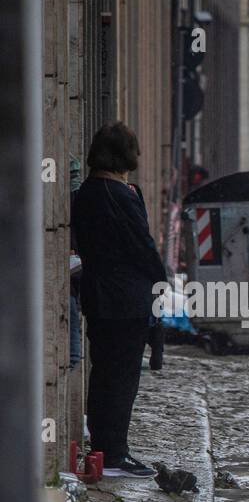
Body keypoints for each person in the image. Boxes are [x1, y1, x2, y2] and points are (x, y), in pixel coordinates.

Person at [70, 121, 168, 478]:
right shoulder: (120, 196)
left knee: (104, 374)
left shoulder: (85, 194)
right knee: (122, 378)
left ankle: (103, 448)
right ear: (124, 156)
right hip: (125, 301)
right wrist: (161, 278)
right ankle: (114, 454)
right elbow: (142, 247)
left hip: (99, 298)